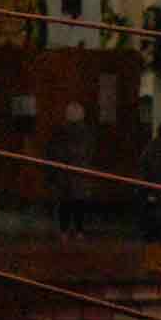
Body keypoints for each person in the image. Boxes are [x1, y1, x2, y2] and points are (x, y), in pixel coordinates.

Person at [44, 101, 96, 237]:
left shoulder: (60, 132)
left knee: (64, 203)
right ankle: (79, 230)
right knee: (79, 203)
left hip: (63, 174)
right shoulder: (86, 133)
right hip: (80, 174)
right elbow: (90, 152)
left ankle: (64, 230)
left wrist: (52, 174)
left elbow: (52, 152)